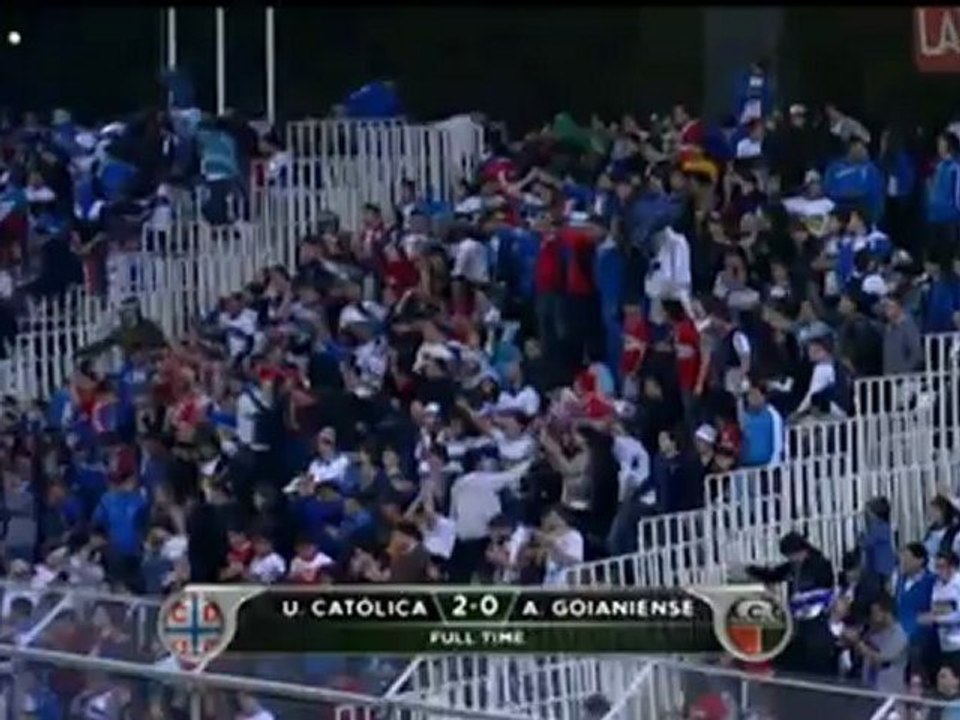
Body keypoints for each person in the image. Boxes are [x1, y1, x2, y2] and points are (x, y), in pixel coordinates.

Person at [919, 550, 960, 672]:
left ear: (952, 567)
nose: (938, 571)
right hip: (943, 643)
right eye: (936, 567)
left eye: (941, 567)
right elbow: (937, 609)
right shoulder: (937, 585)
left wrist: (936, 620)